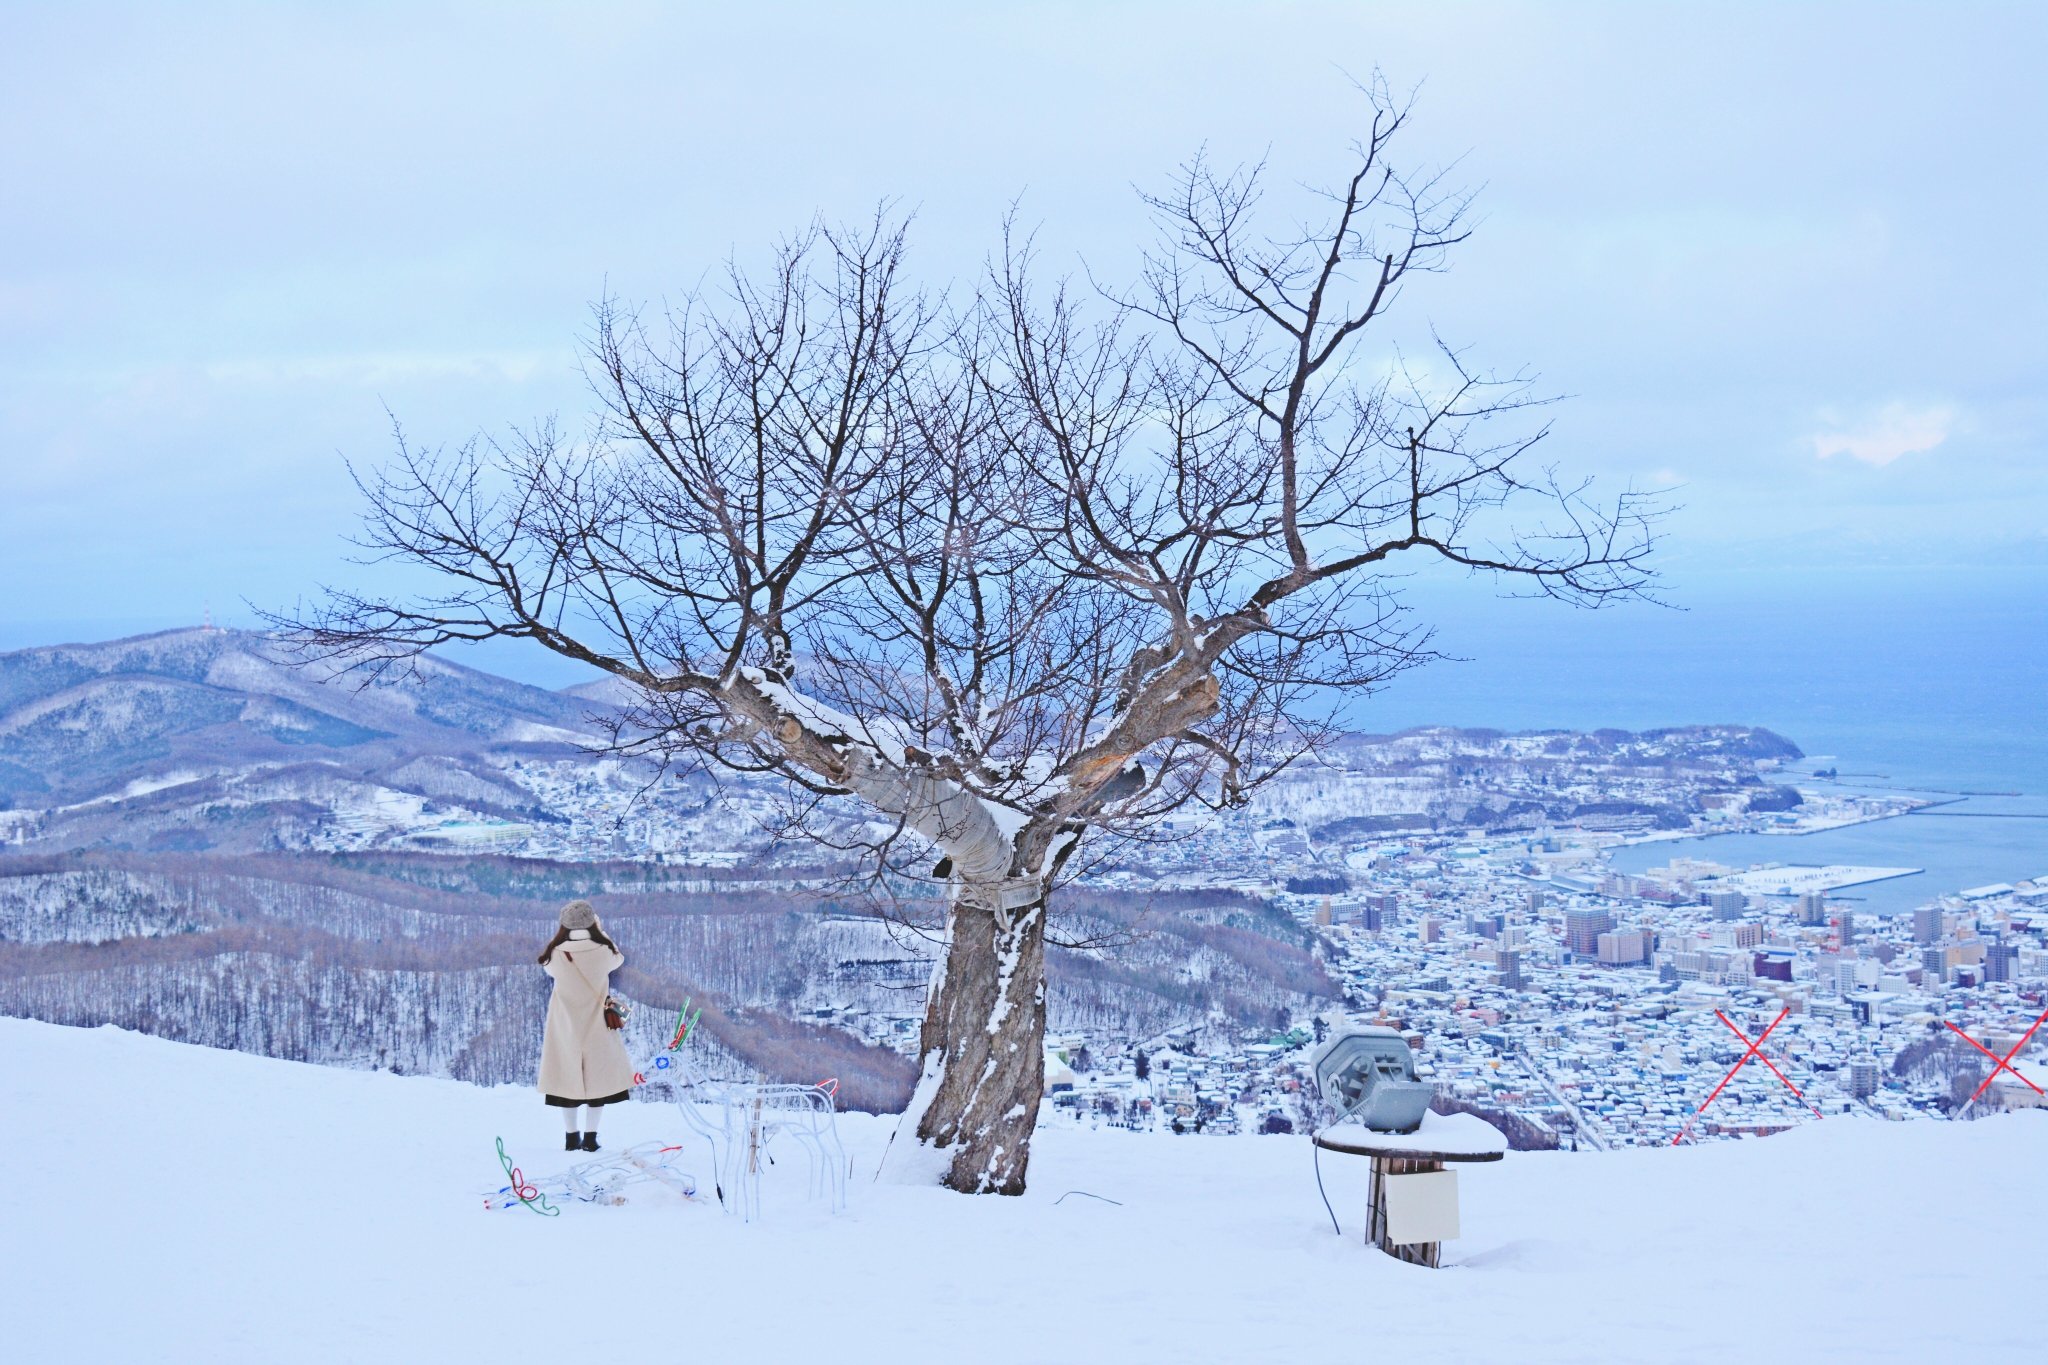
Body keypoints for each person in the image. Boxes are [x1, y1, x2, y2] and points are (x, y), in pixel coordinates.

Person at [537, 899, 634, 1152]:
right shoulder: (603, 951)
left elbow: (547, 968)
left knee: (566, 1082)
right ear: (593, 923)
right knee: (597, 1083)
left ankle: (571, 1137)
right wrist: (599, 930)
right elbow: (619, 958)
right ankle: (590, 1138)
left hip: (565, 1024)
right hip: (596, 1026)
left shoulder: (555, 953)